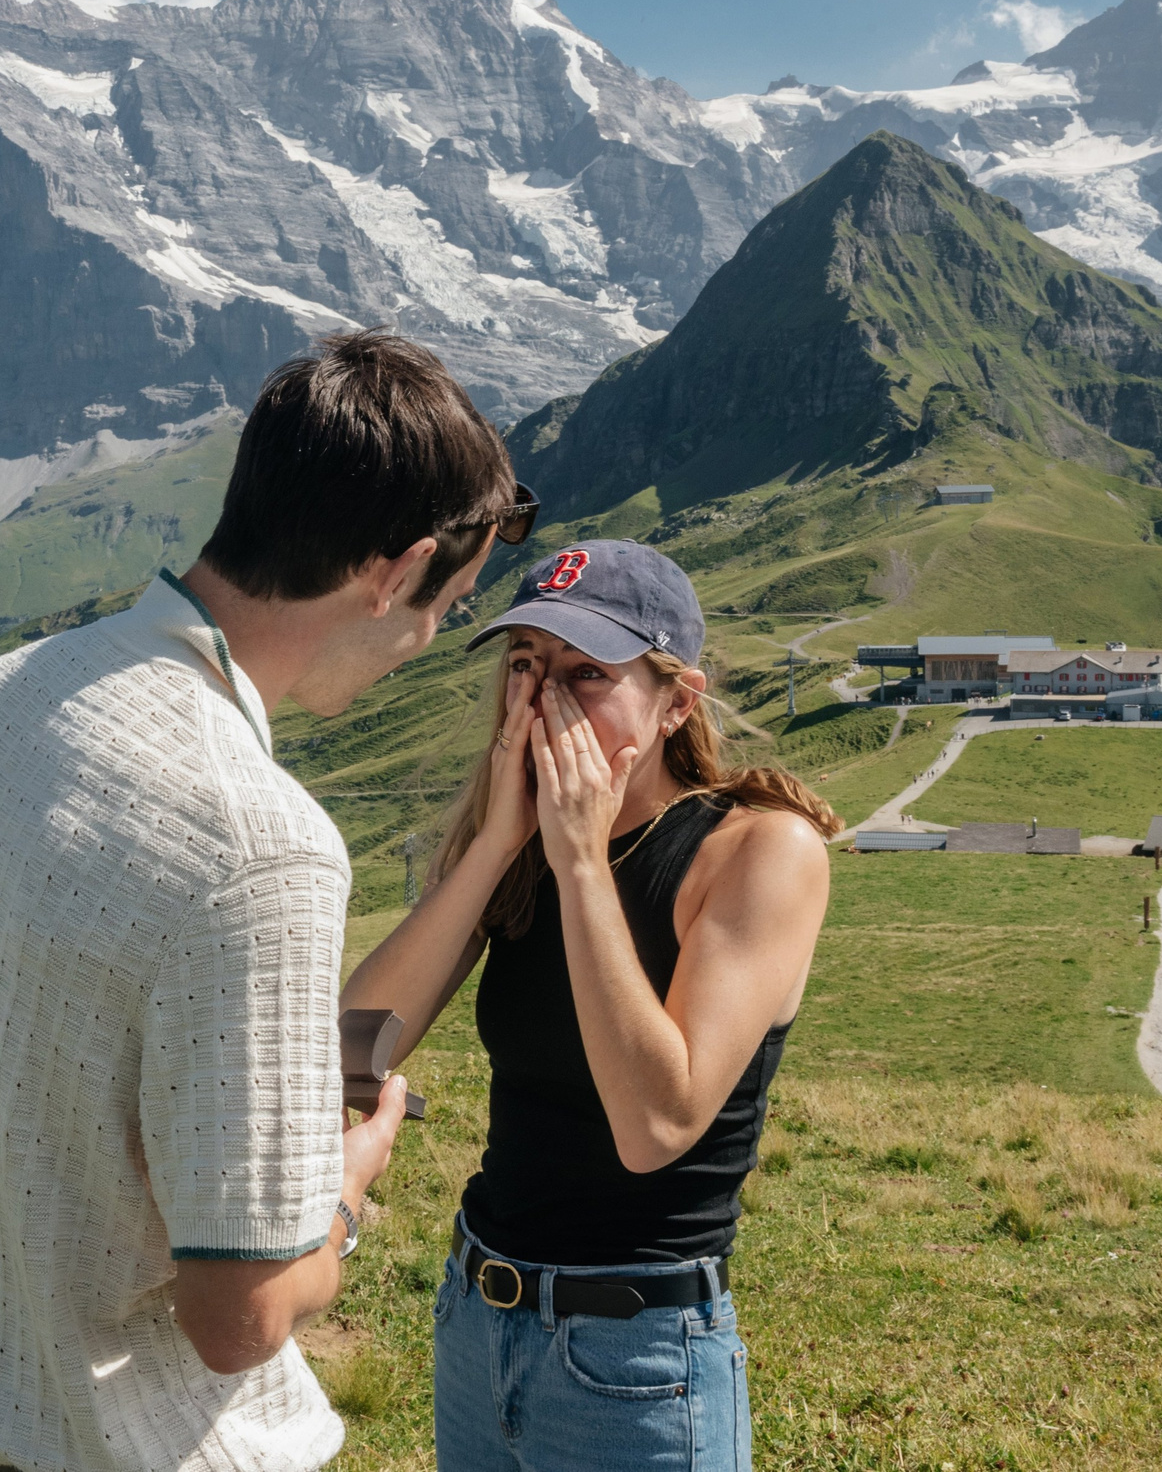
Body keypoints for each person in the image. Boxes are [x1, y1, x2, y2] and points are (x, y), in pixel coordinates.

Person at [0, 331, 536, 1472]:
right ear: (394, 570)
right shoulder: (265, 842)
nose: (423, 641)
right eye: (444, 607)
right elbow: (238, 1319)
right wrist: (340, 1190)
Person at [341, 540, 838, 1471]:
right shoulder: (519, 842)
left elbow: (657, 1122)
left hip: (637, 1356)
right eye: (524, 665)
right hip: (478, 1319)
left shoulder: (759, 853)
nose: (542, 701)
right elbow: (353, 1049)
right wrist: (495, 844)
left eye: (585, 673)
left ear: (675, 702)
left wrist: (578, 863)